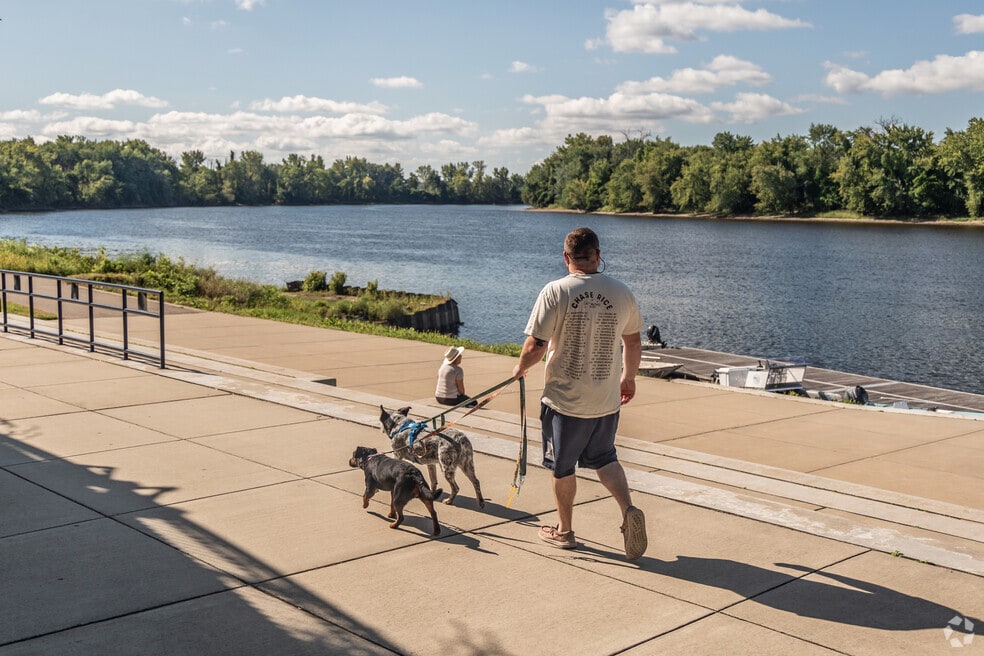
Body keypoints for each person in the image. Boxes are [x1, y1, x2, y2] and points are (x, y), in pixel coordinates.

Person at [511, 227, 647, 560]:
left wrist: (520, 369)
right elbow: (632, 341)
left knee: (562, 467)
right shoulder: (621, 292)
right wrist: (628, 378)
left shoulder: (556, 291)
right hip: (606, 400)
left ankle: (565, 531)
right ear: (598, 256)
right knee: (605, 458)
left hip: (564, 402)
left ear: (566, 257)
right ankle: (628, 510)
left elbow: (536, 345)